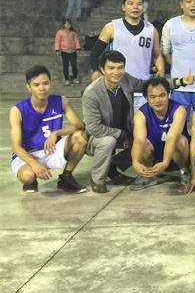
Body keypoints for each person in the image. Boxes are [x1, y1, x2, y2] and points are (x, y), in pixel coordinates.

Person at [9, 65, 87, 193]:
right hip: (28, 153)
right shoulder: (17, 111)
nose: (42, 88)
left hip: (51, 149)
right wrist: (33, 163)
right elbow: (16, 147)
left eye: (45, 83)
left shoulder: (61, 101)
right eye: (36, 85)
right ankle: (31, 179)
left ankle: (66, 177)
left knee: (80, 137)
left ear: (51, 83)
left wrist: (56, 133)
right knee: (27, 176)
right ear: (28, 87)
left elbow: (80, 126)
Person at [90, 0, 164, 110]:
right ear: (123, 7)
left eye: (139, 4)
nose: (135, 7)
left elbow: (157, 55)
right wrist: (96, 70)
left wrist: (160, 69)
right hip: (119, 88)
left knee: (143, 122)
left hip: (143, 88)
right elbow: (95, 53)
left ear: (143, 7)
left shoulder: (151, 30)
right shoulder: (111, 27)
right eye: (131, 3)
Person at [82, 50, 143, 193]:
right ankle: (97, 179)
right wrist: (121, 134)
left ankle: (112, 168)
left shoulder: (125, 79)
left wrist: (178, 82)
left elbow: (146, 86)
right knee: (108, 141)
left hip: (123, 132)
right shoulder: (91, 93)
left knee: (145, 136)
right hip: (96, 137)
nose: (116, 72)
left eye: (120, 68)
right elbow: (93, 128)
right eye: (111, 68)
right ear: (102, 69)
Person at [131, 78, 189, 188]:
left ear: (168, 94)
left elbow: (172, 138)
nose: (158, 100)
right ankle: (148, 175)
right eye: (152, 97)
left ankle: (184, 171)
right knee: (144, 143)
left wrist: (165, 162)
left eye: (162, 95)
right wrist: (135, 162)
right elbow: (138, 140)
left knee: (181, 141)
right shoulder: (140, 114)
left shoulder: (179, 110)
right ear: (146, 98)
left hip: (176, 154)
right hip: (155, 153)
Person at [54, 19, 81, 85]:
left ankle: (75, 78)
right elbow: (57, 41)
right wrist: (57, 49)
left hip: (72, 51)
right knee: (65, 65)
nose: (67, 25)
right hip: (64, 51)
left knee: (74, 65)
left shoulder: (73, 32)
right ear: (63, 24)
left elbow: (76, 40)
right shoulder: (60, 32)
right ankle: (66, 79)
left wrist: (78, 48)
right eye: (66, 24)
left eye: (69, 24)